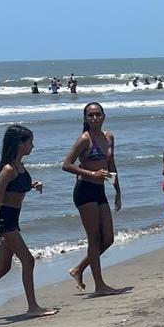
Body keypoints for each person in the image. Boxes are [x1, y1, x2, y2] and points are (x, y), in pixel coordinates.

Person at [0, 125, 58, 323]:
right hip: (5, 221)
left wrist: (33, 185)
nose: (33, 146)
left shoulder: (19, 167)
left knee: (4, 267)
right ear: (19, 144)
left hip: (12, 219)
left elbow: (16, 189)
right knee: (28, 260)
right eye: (30, 142)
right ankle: (32, 307)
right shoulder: (8, 169)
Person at [61, 102, 127, 296]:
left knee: (108, 239)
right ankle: (99, 286)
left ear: (104, 116)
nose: (95, 118)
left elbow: (111, 164)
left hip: (100, 190)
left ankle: (79, 269)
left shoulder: (109, 137)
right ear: (85, 118)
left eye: (98, 114)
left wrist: (117, 190)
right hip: (85, 190)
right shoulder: (84, 139)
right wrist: (92, 173)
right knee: (94, 238)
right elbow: (66, 165)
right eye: (91, 115)